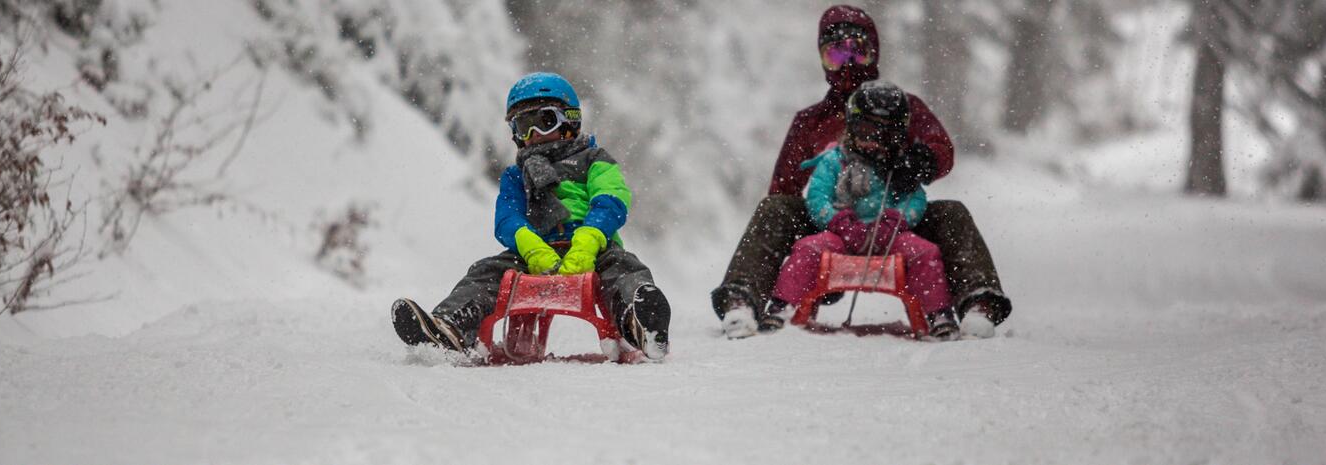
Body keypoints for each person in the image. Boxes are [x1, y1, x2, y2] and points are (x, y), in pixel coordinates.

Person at [712, 4, 1012, 339]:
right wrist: (820, 223)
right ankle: (741, 298)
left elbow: (942, 150)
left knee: (951, 213)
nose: (849, 64)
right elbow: (784, 187)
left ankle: (978, 302)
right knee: (774, 209)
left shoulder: (902, 106)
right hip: (831, 219)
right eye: (836, 56)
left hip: (896, 218)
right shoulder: (812, 121)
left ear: (874, 53)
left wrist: (918, 162)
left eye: (858, 52)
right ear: (822, 60)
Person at [391, 72, 671, 360]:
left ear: (569, 121)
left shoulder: (594, 159)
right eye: (523, 126)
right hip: (534, 252)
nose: (533, 133)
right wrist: (530, 245)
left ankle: (640, 322)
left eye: (544, 121)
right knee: (485, 272)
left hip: (594, 247)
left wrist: (589, 238)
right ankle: (450, 328)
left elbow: (611, 199)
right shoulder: (516, 175)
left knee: (624, 268)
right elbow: (507, 217)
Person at [770, 80, 959, 340]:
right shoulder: (835, 160)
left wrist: (896, 221)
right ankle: (783, 306)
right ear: (851, 128)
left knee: (925, 253)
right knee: (807, 249)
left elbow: (915, 201)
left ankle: (938, 313)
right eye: (865, 131)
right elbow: (817, 196)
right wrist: (838, 221)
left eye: (885, 135)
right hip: (841, 234)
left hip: (891, 235)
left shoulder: (901, 168)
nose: (873, 143)